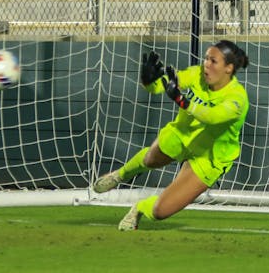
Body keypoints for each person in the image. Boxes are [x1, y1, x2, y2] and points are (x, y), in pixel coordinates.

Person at [93, 39, 250, 231]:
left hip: (210, 157)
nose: (206, 65)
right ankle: (119, 175)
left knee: (160, 212)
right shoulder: (197, 74)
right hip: (181, 134)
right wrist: (148, 82)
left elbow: (212, 117)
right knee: (151, 160)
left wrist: (182, 101)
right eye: (206, 59)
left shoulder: (237, 98)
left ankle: (139, 208)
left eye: (213, 61)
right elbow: (166, 85)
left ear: (229, 68)